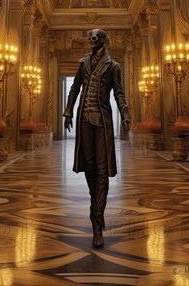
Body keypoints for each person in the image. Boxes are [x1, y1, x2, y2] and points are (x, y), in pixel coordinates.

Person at [63, 28, 130, 248]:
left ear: (102, 41)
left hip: (102, 122)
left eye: (94, 38)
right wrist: (68, 111)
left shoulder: (113, 66)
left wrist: (125, 114)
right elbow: (74, 89)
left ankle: (97, 222)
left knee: (102, 171)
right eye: (89, 37)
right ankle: (96, 207)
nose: (91, 41)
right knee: (90, 168)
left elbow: (118, 93)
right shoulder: (83, 63)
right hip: (84, 121)